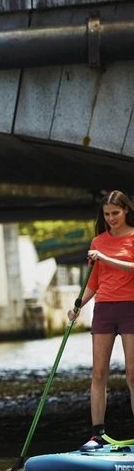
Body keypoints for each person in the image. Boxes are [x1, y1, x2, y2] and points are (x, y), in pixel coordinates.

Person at [68, 190, 134, 450]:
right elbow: (93, 283)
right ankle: (97, 434)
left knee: (132, 374)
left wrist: (107, 258)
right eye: (107, 215)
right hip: (105, 308)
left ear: (126, 210)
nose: (111, 219)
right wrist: (77, 306)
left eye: (115, 213)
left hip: (131, 306)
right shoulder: (98, 242)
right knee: (98, 374)